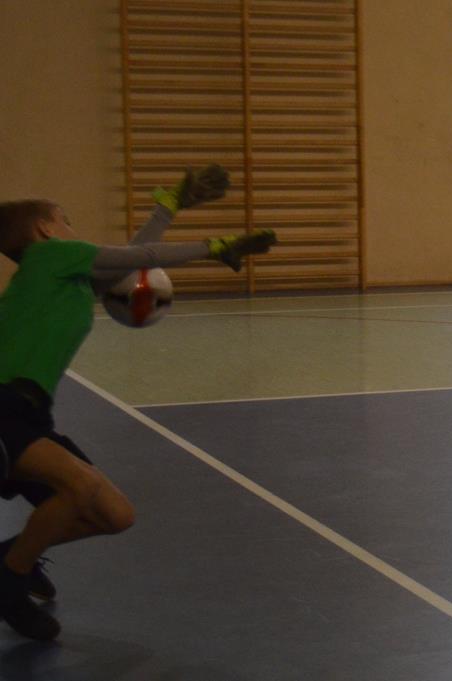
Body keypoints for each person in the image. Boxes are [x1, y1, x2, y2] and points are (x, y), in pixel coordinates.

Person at [0, 165, 276, 640]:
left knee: (112, 515)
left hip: (32, 415)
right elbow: (142, 256)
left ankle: (11, 558)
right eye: (65, 219)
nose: (72, 228)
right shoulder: (51, 256)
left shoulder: (67, 279)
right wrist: (216, 247)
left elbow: (129, 264)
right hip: (5, 406)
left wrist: (168, 207)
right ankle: (8, 586)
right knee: (81, 488)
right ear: (45, 229)